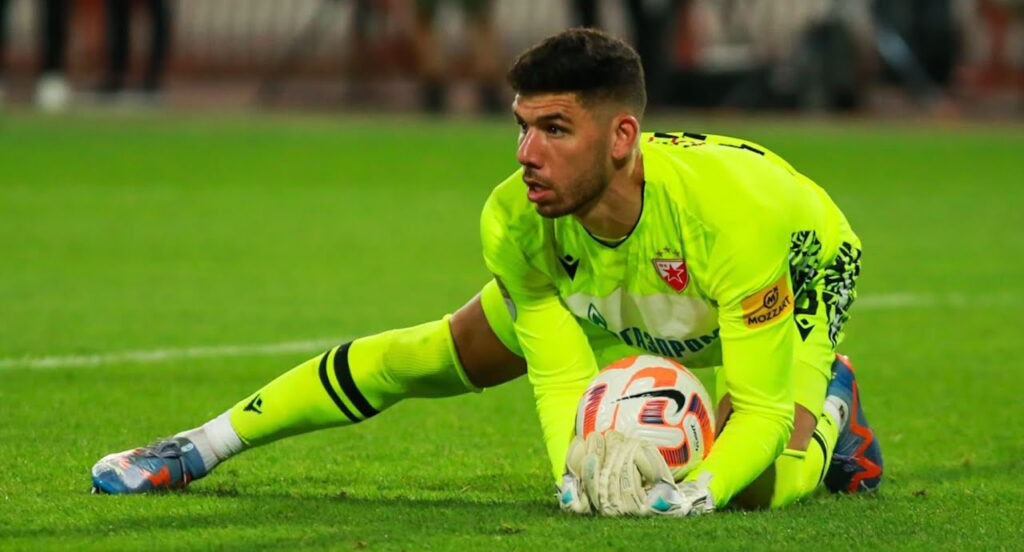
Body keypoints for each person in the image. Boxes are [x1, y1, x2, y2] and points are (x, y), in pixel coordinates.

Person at [91, 28, 882, 515]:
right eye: (521, 127)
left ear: (621, 138)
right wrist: (576, 477)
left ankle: (834, 407)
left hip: (796, 270)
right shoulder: (516, 218)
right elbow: (559, 377)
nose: (526, 154)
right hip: (612, 280)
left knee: (758, 486)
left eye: (555, 130)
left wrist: (694, 494)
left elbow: (761, 416)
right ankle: (197, 446)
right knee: (426, 355)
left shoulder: (734, 217)